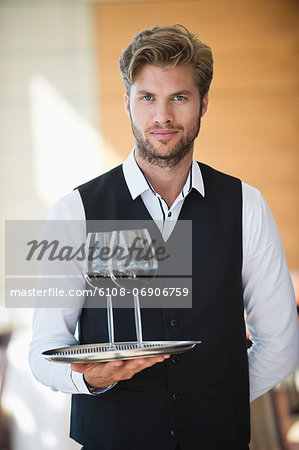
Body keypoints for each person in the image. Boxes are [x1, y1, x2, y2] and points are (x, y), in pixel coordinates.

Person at [29, 24, 299, 450]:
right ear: (127, 103)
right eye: (147, 98)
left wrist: (213, 403)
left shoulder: (246, 206)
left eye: (179, 97)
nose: (163, 117)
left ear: (203, 103)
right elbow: (44, 351)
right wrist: (89, 380)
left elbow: (281, 344)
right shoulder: (75, 212)